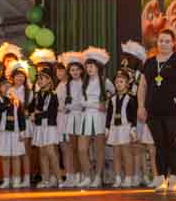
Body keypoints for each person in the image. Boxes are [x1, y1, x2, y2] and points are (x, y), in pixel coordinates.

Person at [137, 29, 176, 193]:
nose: (163, 44)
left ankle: (175, 178)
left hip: (173, 110)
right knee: (159, 144)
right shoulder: (149, 62)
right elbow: (142, 86)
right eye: (161, 41)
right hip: (153, 111)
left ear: (173, 43)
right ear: (157, 42)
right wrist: (141, 106)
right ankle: (161, 178)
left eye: (167, 41)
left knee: (173, 143)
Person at [121, 40, 157, 187]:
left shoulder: (141, 76)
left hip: (142, 114)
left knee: (146, 146)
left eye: (129, 60)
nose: (126, 63)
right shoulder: (124, 77)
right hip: (129, 116)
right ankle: (137, 175)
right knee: (134, 146)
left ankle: (149, 175)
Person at [80, 47, 115, 188]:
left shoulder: (105, 82)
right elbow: (81, 101)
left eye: (92, 66)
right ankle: (88, 175)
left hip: (99, 117)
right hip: (85, 116)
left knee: (98, 149)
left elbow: (112, 98)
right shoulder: (84, 82)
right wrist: (93, 104)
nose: (89, 69)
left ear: (98, 67)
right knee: (82, 149)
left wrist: (105, 104)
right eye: (87, 66)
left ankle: (98, 177)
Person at [57, 52, 86, 187]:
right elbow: (62, 104)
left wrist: (72, 106)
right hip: (70, 118)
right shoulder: (65, 85)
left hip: (81, 117)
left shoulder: (84, 84)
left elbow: (82, 102)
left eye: (77, 69)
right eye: (72, 70)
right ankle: (72, 176)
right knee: (71, 148)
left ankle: (82, 175)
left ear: (81, 70)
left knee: (81, 149)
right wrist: (65, 107)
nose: (75, 72)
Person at [0, 75, 26, 189]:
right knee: (5, 157)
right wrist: (9, 101)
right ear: (0, 88)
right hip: (3, 131)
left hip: (15, 131)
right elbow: (0, 109)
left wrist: (22, 131)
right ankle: (6, 180)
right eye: (4, 86)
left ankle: (16, 179)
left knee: (16, 156)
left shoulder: (18, 101)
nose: (7, 87)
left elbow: (21, 117)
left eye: (9, 85)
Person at [106, 69, 138, 188]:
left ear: (127, 84)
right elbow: (109, 114)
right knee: (116, 154)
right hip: (115, 128)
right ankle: (118, 178)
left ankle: (129, 177)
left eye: (121, 82)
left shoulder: (131, 98)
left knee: (126, 153)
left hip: (125, 127)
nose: (118, 84)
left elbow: (133, 115)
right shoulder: (112, 99)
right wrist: (107, 128)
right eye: (117, 82)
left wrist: (133, 128)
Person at [31, 66, 62, 188]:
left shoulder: (53, 95)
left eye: (42, 78)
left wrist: (37, 114)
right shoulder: (37, 94)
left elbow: (52, 113)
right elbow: (30, 108)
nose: (39, 81)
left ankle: (59, 178)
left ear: (49, 80)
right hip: (39, 127)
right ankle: (46, 179)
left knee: (51, 152)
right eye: (38, 79)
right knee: (42, 153)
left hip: (49, 126)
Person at [10, 59, 36, 188]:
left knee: (25, 152)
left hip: (25, 124)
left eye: (22, 76)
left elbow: (31, 109)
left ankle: (26, 178)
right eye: (17, 76)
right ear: (12, 77)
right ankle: (15, 177)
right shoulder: (9, 91)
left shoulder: (29, 92)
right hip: (12, 125)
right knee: (14, 152)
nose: (20, 78)